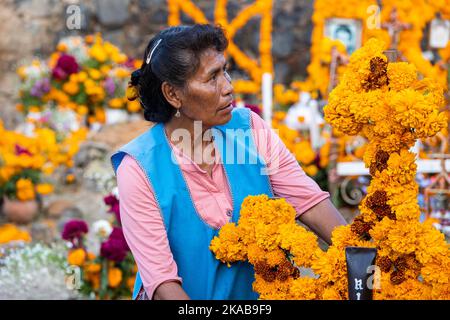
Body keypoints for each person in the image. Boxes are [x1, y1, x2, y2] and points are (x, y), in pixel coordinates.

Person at [112, 24, 347, 300]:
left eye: (225, 70)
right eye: (212, 78)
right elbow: (163, 284)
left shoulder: (249, 129)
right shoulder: (139, 169)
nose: (228, 87)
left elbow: (310, 202)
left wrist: (364, 261)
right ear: (173, 94)